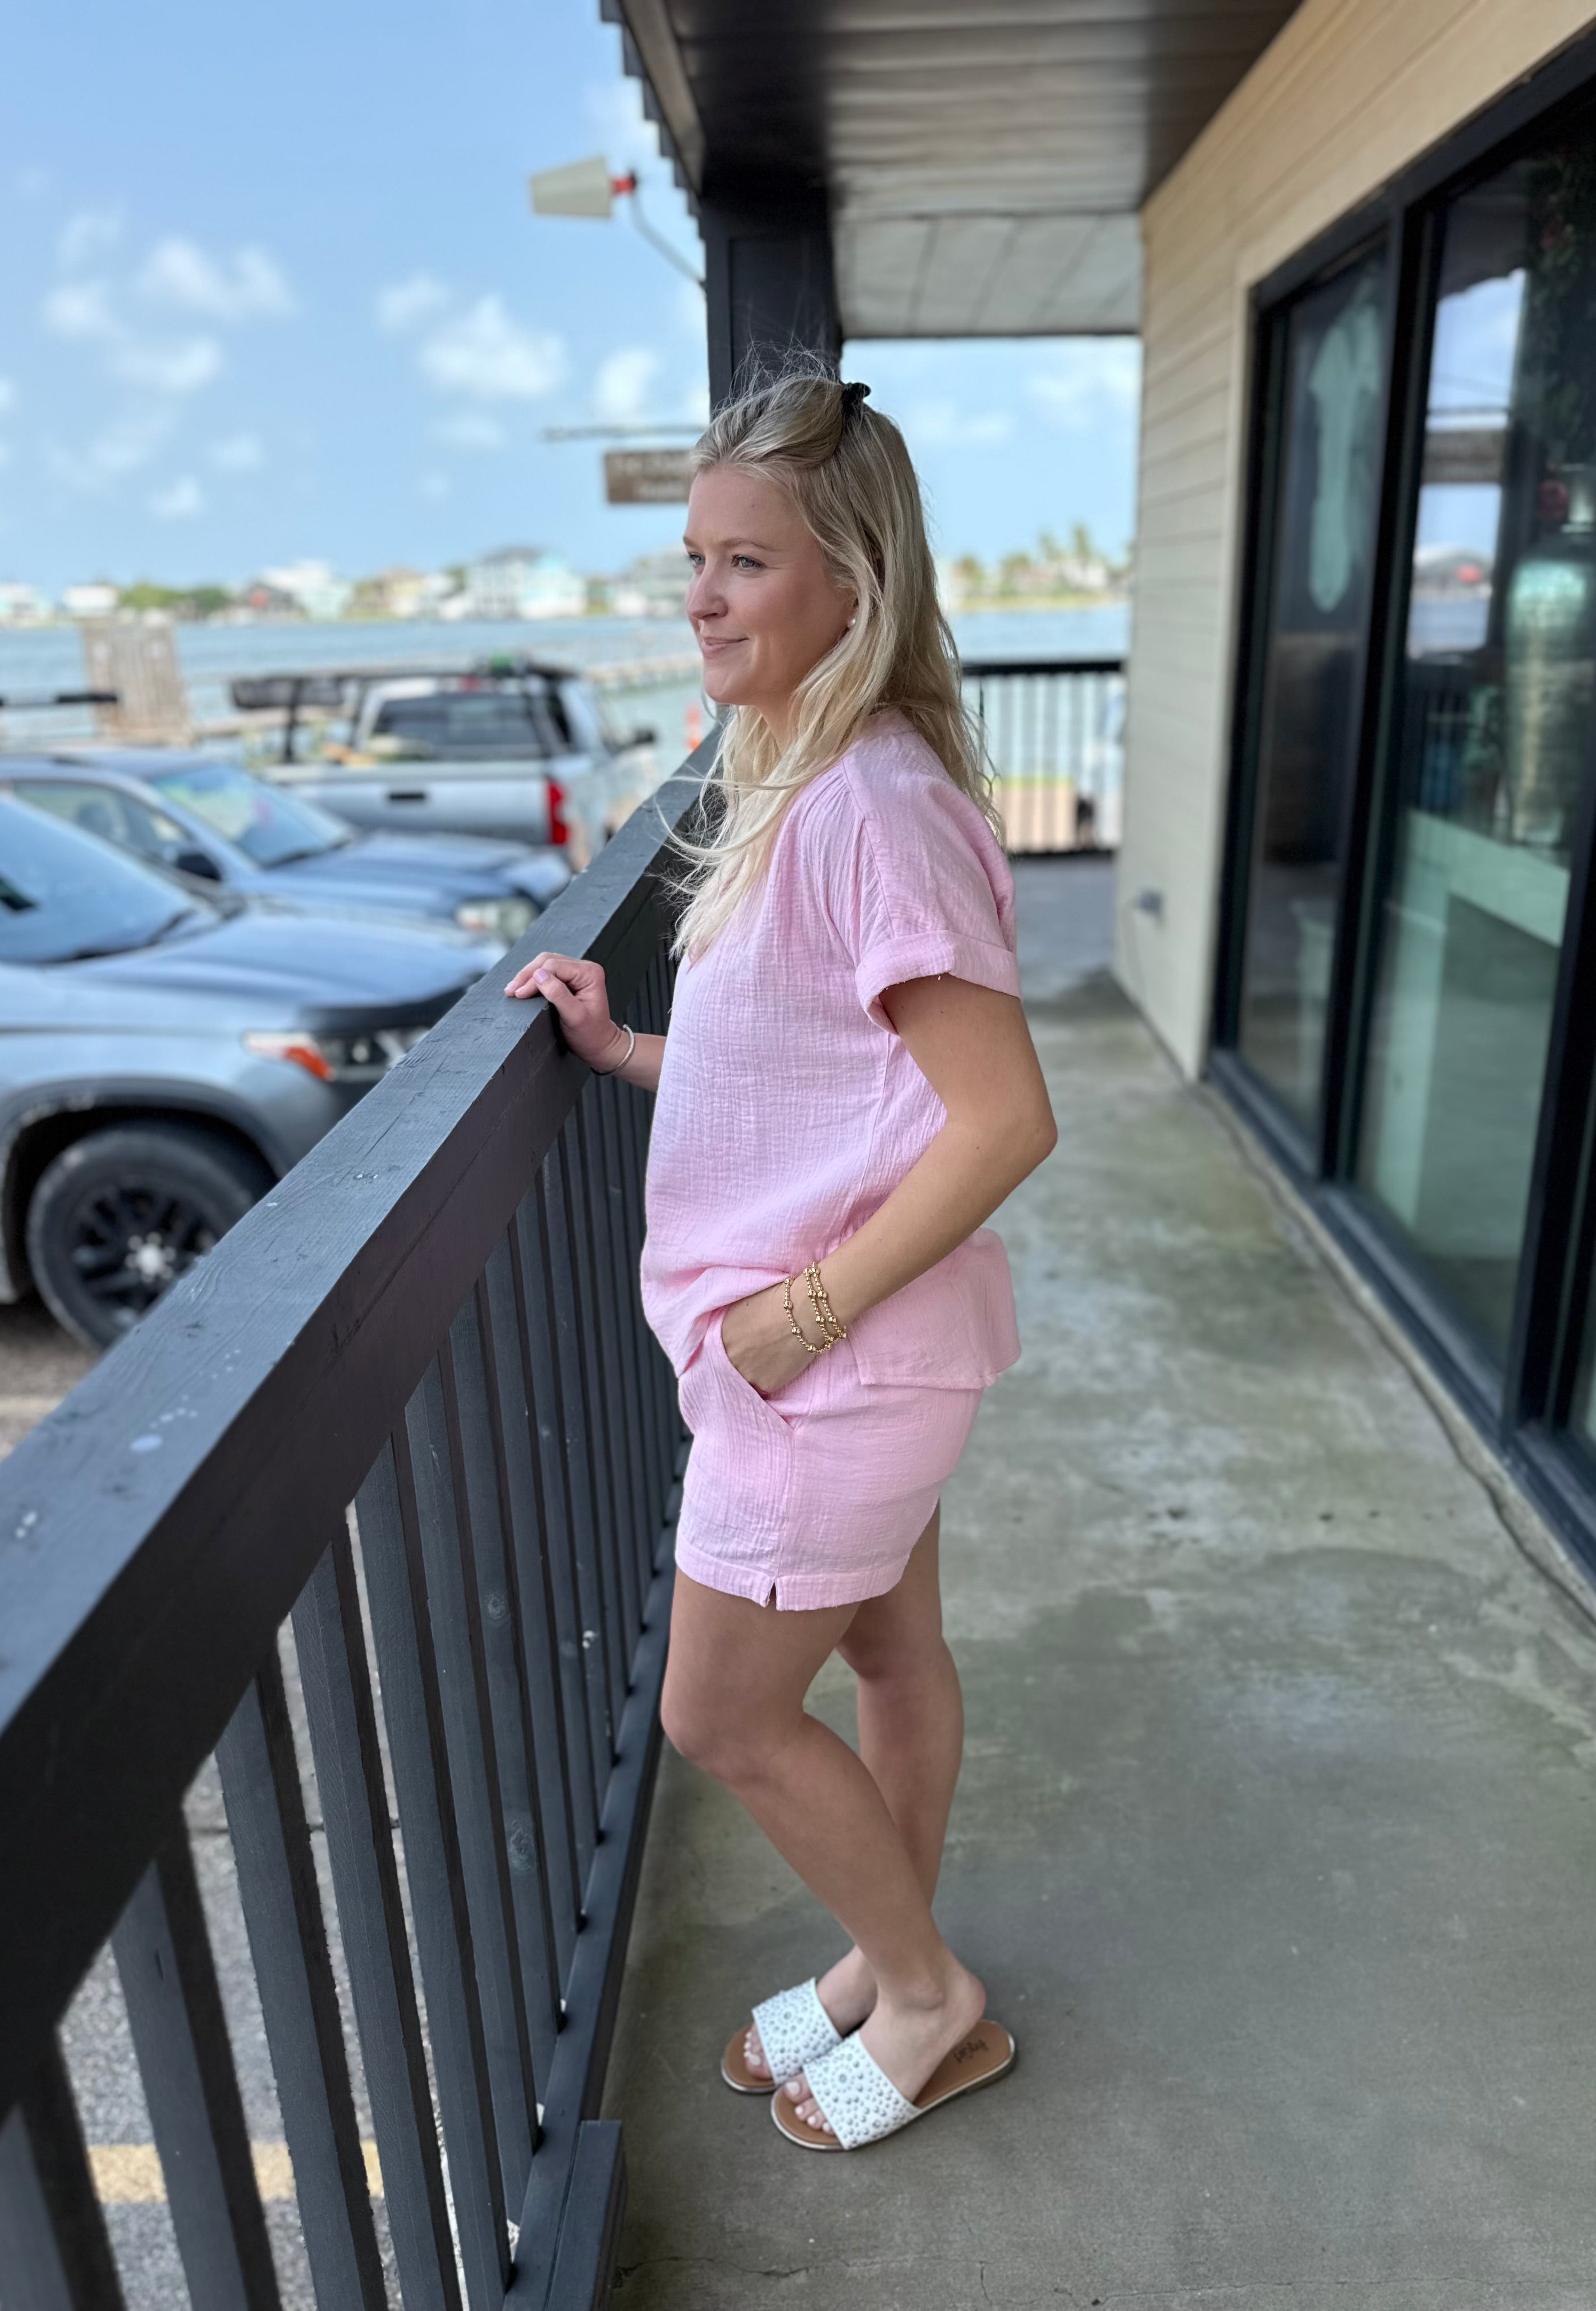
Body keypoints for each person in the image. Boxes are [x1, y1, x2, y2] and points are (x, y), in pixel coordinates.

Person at [507, 366, 1057, 2153]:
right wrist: (627, 1052)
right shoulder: (814, 780)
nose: (702, 598)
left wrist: (795, 1320)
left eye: (745, 563)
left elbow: (1003, 1119)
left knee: (724, 1713)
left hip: (834, 1364)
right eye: (695, 559)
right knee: (890, 1658)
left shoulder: (873, 804)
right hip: (859, 1356)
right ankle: (883, 1962)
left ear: (853, 584)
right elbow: (819, 1075)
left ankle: (929, 1998)